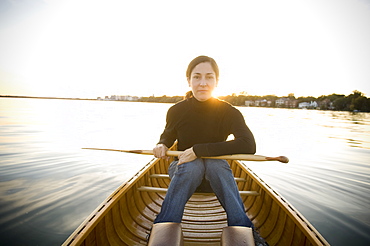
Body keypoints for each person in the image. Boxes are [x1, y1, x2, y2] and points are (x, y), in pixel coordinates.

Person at [152, 55, 256, 228]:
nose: (203, 83)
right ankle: (164, 226)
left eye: (209, 77)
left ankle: (242, 227)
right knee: (194, 165)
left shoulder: (229, 112)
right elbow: (167, 137)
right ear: (189, 80)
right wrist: (161, 144)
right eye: (197, 77)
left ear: (216, 81)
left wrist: (199, 150)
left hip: (215, 178)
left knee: (214, 164)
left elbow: (248, 144)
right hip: (182, 172)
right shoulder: (176, 111)